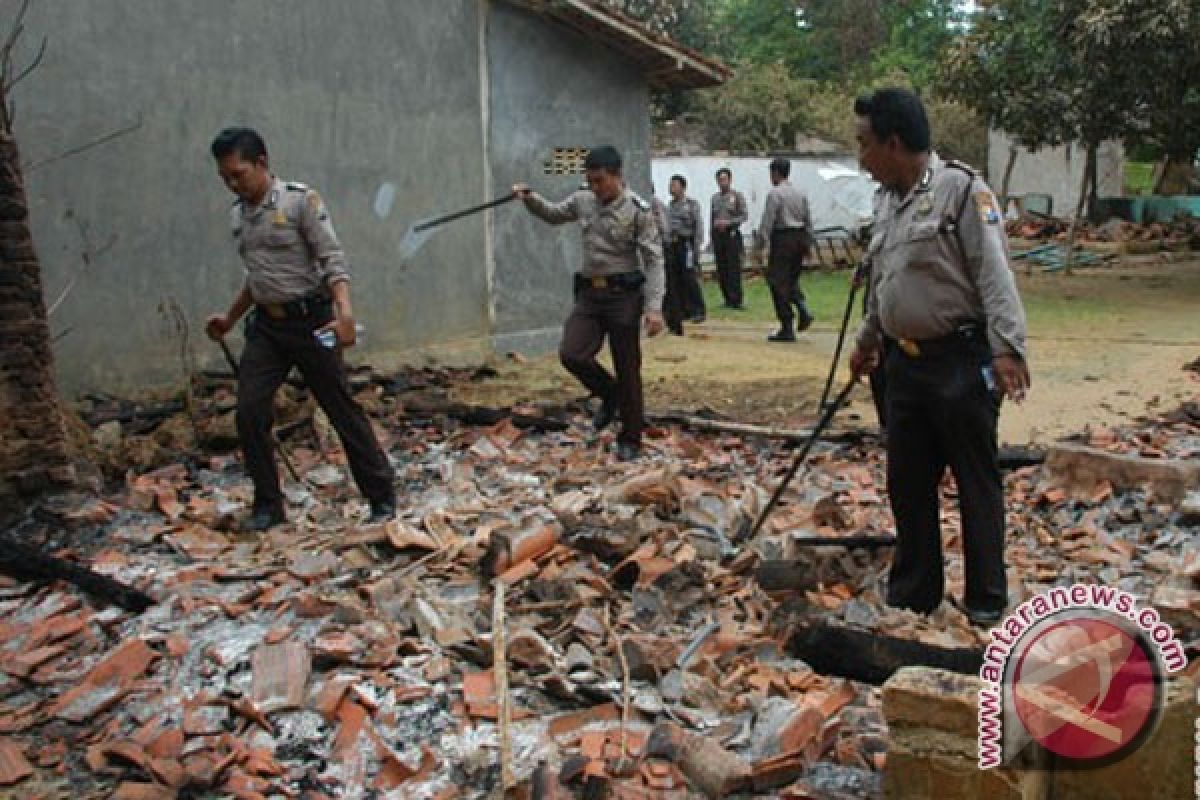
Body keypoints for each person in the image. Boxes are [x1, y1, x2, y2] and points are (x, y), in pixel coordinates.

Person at [847, 88, 1030, 627]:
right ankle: (915, 592)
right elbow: (885, 283)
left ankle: (985, 602)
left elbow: (995, 275)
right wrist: (866, 341)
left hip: (958, 361)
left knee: (975, 483)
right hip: (902, 366)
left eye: (864, 144)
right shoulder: (885, 202)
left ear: (894, 142)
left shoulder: (961, 191)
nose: (860, 158)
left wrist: (1008, 350)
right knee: (907, 481)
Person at [204, 127, 396, 532]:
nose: (232, 184)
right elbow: (257, 278)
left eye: (238, 174)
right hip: (267, 329)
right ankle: (268, 507)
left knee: (340, 407)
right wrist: (229, 319)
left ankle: (381, 495)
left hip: (314, 322)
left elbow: (332, 261)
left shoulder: (299, 201)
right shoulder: (238, 214)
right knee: (249, 412)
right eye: (225, 178)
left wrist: (344, 314)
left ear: (261, 163)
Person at [513, 146, 665, 462]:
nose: (596, 188)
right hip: (589, 295)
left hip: (623, 296)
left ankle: (630, 437)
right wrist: (530, 198)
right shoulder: (583, 199)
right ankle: (610, 396)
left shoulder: (639, 211)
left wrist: (654, 307)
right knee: (572, 353)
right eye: (591, 181)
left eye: (601, 181)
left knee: (627, 367)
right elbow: (554, 214)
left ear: (617, 176)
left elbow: (654, 261)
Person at [757, 158, 814, 342]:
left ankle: (787, 325)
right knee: (791, 279)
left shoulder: (775, 194)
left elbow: (768, 221)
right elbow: (808, 220)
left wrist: (761, 245)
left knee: (776, 282)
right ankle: (803, 308)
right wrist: (809, 244)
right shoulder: (800, 193)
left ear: (775, 173)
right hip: (799, 238)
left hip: (782, 239)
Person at [666, 175, 707, 328]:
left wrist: (697, 248)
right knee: (676, 278)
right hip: (673, 244)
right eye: (670, 185)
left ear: (683, 187)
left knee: (690, 277)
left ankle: (699, 309)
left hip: (686, 244)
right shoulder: (669, 206)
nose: (671, 188)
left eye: (674, 185)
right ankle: (684, 310)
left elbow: (698, 227)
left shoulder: (691, 205)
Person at [710, 167, 748, 310]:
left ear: (730, 180)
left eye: (724, 179)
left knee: (734, 268)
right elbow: (712, 218)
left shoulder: (737, 196)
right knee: (722, 268)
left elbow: (744, 215)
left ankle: (736, 299)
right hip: (718, 237)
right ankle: (726, 298)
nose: (722, 182)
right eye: (719, 180)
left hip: (731, 235)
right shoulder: (715, 198)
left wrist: (729, 223)